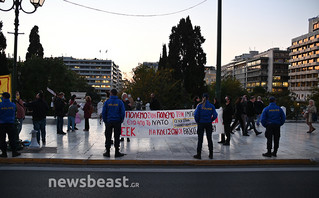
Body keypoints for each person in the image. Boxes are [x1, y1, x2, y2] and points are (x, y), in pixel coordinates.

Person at [193, 93, 218, 159]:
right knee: (209, 139)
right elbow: (215, 115)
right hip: (208, 123)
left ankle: (199, 154)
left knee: (200, 139)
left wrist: (198, 121)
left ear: (202, 98)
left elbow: (195, 115)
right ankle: (211, 154)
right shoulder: (211, 106)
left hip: (201, 123)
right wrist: (211, 120)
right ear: (208, 98)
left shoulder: (199, 105)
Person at [102, 89, 126, 158]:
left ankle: (108, 151)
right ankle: (117, 152)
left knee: (108, 136)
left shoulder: (107, 102)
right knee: (117, 137)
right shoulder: (120, 102)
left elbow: (104, 112)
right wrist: (121, 120)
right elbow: (122, 112)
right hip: (117, 121)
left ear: (111, 93)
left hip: (109, 121)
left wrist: (105, 120)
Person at [0, 92, 21, 158]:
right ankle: (14, 152)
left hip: (2, 124)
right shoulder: (13, 105)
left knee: (2, 139)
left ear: (3, 97)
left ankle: (4, 153)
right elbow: (15, 111)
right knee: (12, 139)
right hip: (11, 124)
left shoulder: (0, 105)